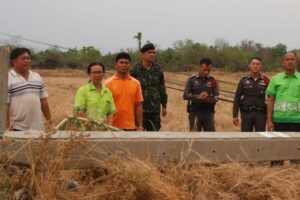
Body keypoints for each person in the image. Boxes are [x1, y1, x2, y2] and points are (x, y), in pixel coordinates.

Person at [266, 51, 300, 166]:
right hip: (279, 120)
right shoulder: (275, 79)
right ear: (283, 62)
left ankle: (295, 177)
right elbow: (270, 100)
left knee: (297, 150)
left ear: (296, 62)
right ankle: (275, 177)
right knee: (277, 149)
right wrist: (269, 120)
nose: (290, 62)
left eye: (292, 59)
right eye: (287, 59)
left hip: (297, 120)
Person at [7, 47, 51, 131]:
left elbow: (43, 101)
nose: (26, 61)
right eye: (23, 59)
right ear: (13, 61)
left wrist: (49, 121)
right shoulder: (7, 79)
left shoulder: (37, 76)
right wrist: (6, 126)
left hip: (38, 128)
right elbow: (6, 106)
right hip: (17, 128)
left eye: (28, 58)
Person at [130, 43, 168, 131]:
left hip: (155, 109)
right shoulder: (135, 69)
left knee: (154, 134)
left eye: (154, 53)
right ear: (142, 54)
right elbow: (131, 89)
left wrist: (164, 106)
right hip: (140, 109)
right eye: (149, 52)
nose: (152, 55)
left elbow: (162, 87)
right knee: (139, 135)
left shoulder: (158, 68)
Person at [105, 52, 143, 131]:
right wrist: (106, 126)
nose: (124, 65)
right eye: (121, 62)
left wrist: (140, 125)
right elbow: (104, 106)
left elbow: (138, 105)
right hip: (112, 127)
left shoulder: (136, 83)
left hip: (130, 127)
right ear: (116, 65)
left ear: (130, 65)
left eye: (126, 63)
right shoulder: (107, 83)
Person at [232, 57, 269, 132]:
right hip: (246, 114)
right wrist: (235, 115)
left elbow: (271, 99)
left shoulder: (266, 80)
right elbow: (237, 98)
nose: (255, 66)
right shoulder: (243, 80)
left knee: (260, 137)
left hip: (260, 114)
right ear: (249, 65)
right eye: (253, 64)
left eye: (258, 64)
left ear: (261, 66)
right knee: (246, 137)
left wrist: (270, 117)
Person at [183, 58, 219, 132]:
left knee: (210, 137)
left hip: (208, 113)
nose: (206, 72)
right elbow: (185, 95)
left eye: (208, 70)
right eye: (204, 69)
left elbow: (216, 98)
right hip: (195, 112)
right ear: (199, 67)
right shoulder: (192, 80)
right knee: (194, 137)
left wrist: (207, 98)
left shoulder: (213, 80)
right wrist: (198, 97)